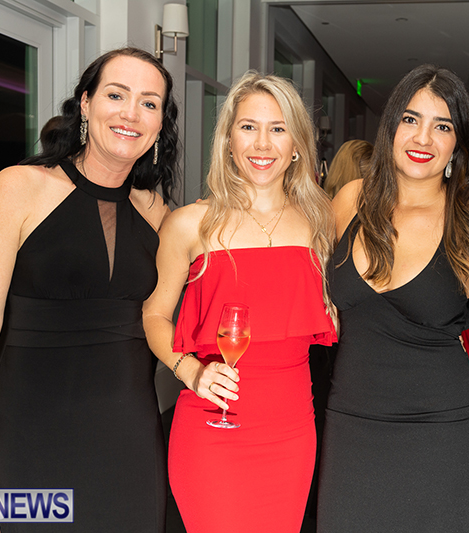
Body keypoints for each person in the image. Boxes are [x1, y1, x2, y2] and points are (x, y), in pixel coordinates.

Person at [0, 47, 177, 533]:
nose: (130, 113)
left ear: (160, 124)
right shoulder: (17, 188)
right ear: (86, 104)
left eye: (148, 103)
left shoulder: (158, 211)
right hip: (26, 437)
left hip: (130, 445)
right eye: (116, 95)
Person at [142, 71, 336, 532]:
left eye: (278, 128)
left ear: (296, 145)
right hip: (211, 428)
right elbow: (153, 314)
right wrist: (191, 371)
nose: (262, 143)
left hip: (291, 431)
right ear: (228, 141)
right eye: (248, 127)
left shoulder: (321, 222)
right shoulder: (190, 224)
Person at [316, 64, 469, 532]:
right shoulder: (351, 201)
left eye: (443, 126)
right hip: (351, 425)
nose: (423, 138)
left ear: (458, 143)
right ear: (391, 126)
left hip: (439, 434)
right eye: (411, 119)